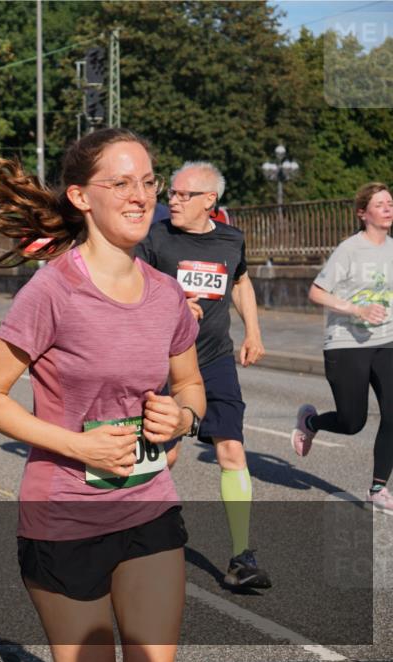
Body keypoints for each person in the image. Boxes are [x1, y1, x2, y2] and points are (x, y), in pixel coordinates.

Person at [0, 128, 205, 662]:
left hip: (148, 504)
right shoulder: (53, 290)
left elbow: (190, 385)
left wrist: (182, 417)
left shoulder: (166, 293)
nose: (139, 196)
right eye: (120, 183)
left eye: (146, 182)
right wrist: (81, 447)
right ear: (81, 196)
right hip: (65, 517)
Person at [136, 161, 271, 590]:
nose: (171, 201)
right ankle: (138, 532)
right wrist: (171, 307)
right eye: (170, 193)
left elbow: (241, 281)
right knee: (165, 456)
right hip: (164, 364)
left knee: (232, 450)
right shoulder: (155, 239)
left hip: (214, 360)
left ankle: (242, 558)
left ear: (209, 201)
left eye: (181, 195)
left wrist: (253, 330)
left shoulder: (232, 239)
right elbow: (130, 288)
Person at [292, 182, 393, 515]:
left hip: (386, 341)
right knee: (352, 422)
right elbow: (316, 292)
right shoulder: (350, 249)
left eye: (390, 202)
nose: (388, 208)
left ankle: (378, 488)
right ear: (363, 213)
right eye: (379, 204)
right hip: (346, 344)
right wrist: (357, 310)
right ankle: (312, 423)